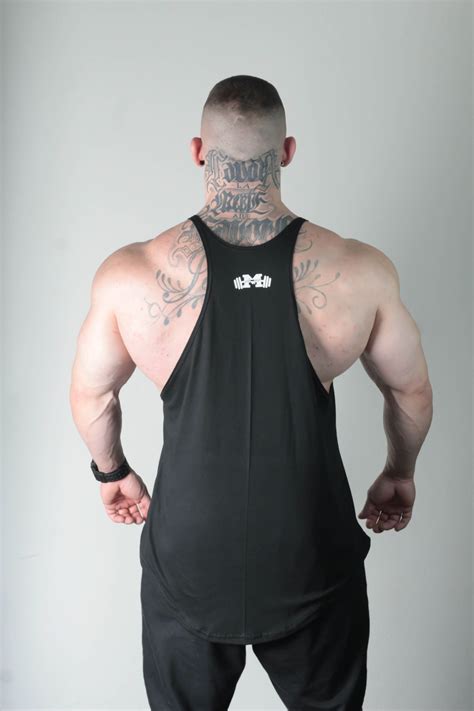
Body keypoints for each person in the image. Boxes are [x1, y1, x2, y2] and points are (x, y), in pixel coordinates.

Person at [69, 75, 433, 710]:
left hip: (188, 557)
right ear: (287, 152)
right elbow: (411, 393)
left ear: (197, 151)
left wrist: (113, 472)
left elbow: (92, 396)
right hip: (311, 552)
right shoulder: (359, 270)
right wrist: (399, 473)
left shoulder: (134, 273)